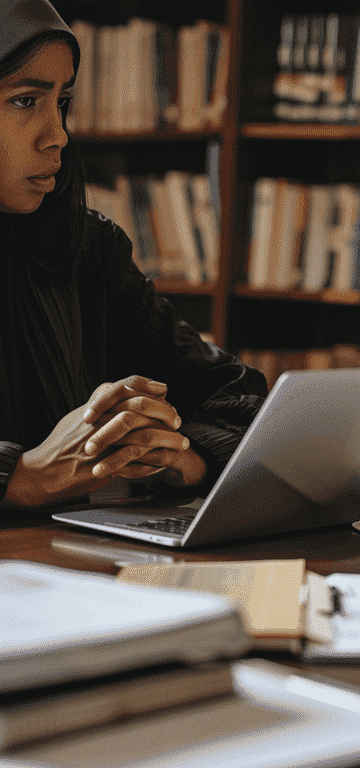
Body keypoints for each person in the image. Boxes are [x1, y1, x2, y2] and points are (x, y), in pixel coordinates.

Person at [0, 0, 267, 509]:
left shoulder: (87, 248)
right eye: (24, 101)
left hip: (78, 569)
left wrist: (181, 456)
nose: (57, 135)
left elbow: (239, 397)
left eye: (62, 102)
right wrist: (22, 477)